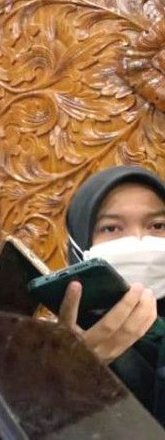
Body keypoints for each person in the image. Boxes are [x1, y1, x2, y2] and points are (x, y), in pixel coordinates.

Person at [65, 165, 165, 422]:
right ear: (79, 245)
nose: (138, 240)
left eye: (157, 225)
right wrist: (70, 375)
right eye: (111, 228)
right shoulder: (50, 347)